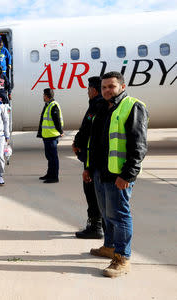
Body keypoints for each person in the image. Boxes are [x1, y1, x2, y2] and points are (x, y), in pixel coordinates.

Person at [84, 71, 148, 278]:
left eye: (111, 86)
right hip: (101, 172)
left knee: (120, 215)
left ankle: (122, 258)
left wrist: (128, 175)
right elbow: (94, 142)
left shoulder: (133, 106)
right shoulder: (102, 108)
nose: (107, 91)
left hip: (119, 174)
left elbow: (139, 146)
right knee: (106, 213)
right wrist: (88, 167)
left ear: (122, 86)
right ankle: (110, 246)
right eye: (104, 87)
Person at [72, 77, 105, 239]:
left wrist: (78, 144)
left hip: (93, 159)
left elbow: (89, 131)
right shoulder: (99, 105)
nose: (87, 92)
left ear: (94, 90)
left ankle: (95, 227)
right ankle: (100, 226)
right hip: (92, 157)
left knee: (92, 193)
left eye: (88, 89)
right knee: (96, 194)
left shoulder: (98, 106)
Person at [37, 88, 63, 183]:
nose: (43, 97)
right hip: (47, 136)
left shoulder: (53, 106)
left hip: (52, 136)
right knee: (49, 157)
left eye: (44, 95)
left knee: (53, 157)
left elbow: (57, 121)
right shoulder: (48, 105)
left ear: (47, 96)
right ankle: (49, 174)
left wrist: (60, 131)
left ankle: (54, 177)